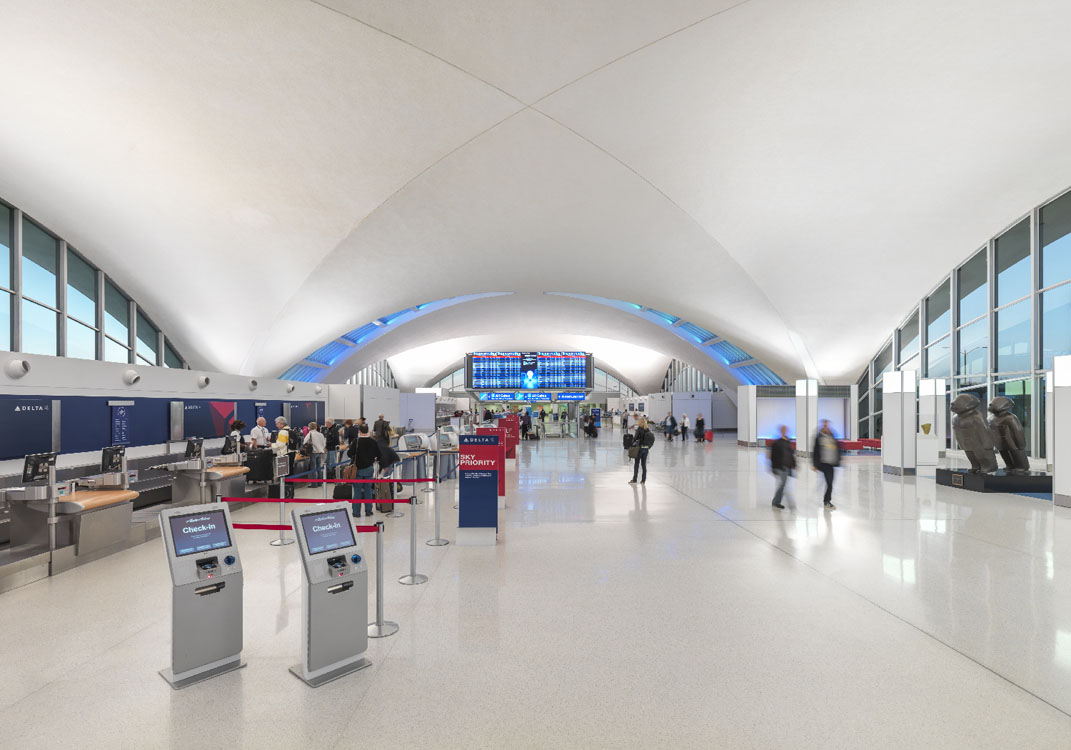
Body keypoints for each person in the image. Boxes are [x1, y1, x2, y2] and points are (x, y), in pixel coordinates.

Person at [347, 424, 381, 517]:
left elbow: (349, 453)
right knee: (368, 490)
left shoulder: (356, 441)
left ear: (359, 431)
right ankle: (368, 511)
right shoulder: (373, 442)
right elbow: (378, 455)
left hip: (357, 469)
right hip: (369, 468)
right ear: (368, 431)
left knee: (357, 491)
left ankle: (356, 512)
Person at [812, 420, 840, 510]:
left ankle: (827, 501)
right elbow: (815, 451)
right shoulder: (818, 438)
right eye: (824, 426)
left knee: (830, 483)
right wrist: (815, 464)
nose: (825, 427)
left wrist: (838, 460)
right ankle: (827, 501)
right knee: (828, 482)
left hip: (830, 464)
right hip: (823, 464)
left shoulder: (832, 437)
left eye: (826, 426)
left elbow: (837, 448)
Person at [768, 425, 796, 509]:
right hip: (780, 467)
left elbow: (791, 455)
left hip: (788, 467)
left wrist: (794, 464)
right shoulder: (777, 443)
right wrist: (774, 468)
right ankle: (785, 503)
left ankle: (776, 501)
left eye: (785, 429)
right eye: (783, 429)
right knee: (783, 485)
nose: (785, 431)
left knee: (782, 485)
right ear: (781, 431)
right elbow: (773, 457)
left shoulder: (788, 442)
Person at [629, 417, 654, 484]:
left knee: (637, 464)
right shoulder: (648, 430)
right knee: (643, 464)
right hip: (646, 449)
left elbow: (635, 438)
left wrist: (632, 443)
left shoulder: (639, 429)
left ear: (640, 423)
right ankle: (643, 480)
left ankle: (634, 479)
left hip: (639, 449)